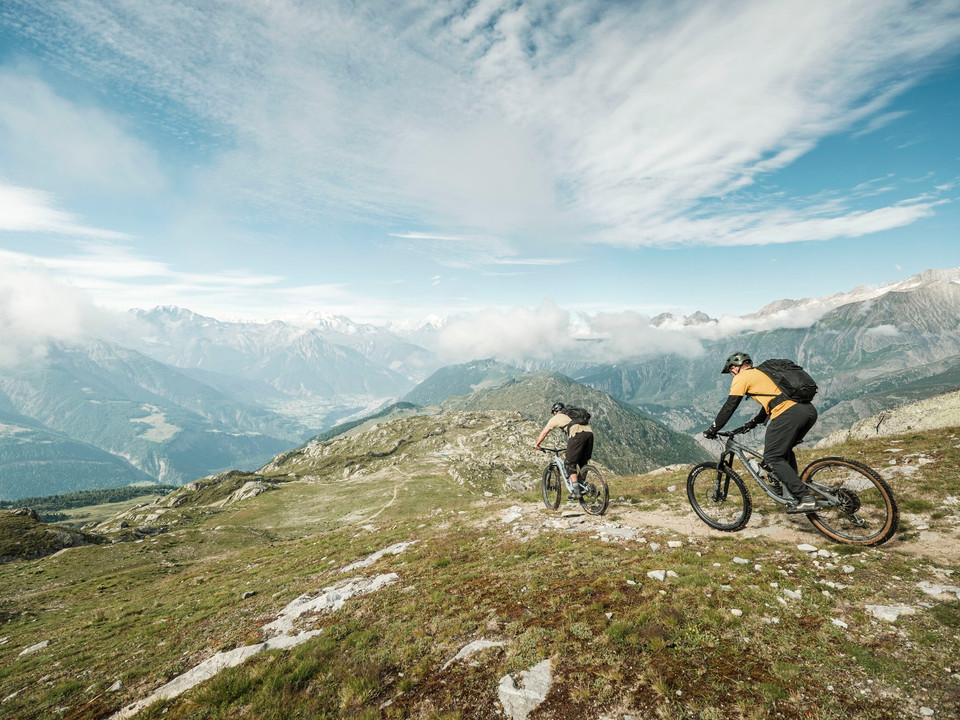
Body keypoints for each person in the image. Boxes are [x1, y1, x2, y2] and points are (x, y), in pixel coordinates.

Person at [704, 352, 819, 513]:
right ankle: (794, 488)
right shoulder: (763, 373)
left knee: (772, 457)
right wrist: (753, 423)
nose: (731, 375)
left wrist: (713, 428)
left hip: (788, 415)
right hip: (808, 411)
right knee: (784, 452)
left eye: (730, 371)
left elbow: (730, 405)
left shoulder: (742, 378)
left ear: (735, 368)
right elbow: (774, 400)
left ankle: (805, 498)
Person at [534, 401, 594, 500]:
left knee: (569, 463)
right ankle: (582, 484)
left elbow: (544, 432)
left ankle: (576, 491)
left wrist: (537, 445)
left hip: (578, 434)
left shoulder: (556, 418)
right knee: (583, 462)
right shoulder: (571, 415)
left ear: (555, 412)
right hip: (589, 433)